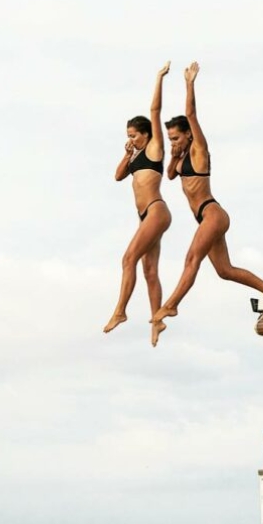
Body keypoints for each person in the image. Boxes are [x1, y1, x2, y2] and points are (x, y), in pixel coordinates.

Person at [151, 62, 263, 333]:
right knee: (224, 271)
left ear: (189, 134)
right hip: (205, 217)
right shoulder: (180, 156)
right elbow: (168, 176)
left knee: (192, 258)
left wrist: (189, 84)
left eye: (176, 137)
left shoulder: (199, 149)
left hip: (212, 213)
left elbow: (190, 113)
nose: (172, 142)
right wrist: (174, 155)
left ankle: (172, 303)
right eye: (169, 138)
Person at [104, 62, 172, 347]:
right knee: (149, 271)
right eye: (128, 135)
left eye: (133, 134)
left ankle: (120, 311)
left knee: (127, 259)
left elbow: (155, 112)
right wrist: (127, 153)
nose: (130, 138)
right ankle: (157, 321)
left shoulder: (155, 147)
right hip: (145, 216)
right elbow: (118, 176)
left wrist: (158, 78)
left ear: (145, 134)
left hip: (156, 210)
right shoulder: (134, 155)